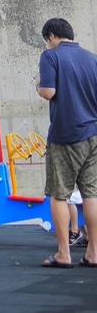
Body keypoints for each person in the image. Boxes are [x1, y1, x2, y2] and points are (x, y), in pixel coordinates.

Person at [36, 17, 97, 268]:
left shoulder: (50, 57)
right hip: (93, 133)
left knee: (59, 195)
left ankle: (63, 253)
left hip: (65, 135)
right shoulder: (92, 58)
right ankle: (93, 253)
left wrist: (39, 86)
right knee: (91, 194)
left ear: (51, 36)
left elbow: (49, 92)